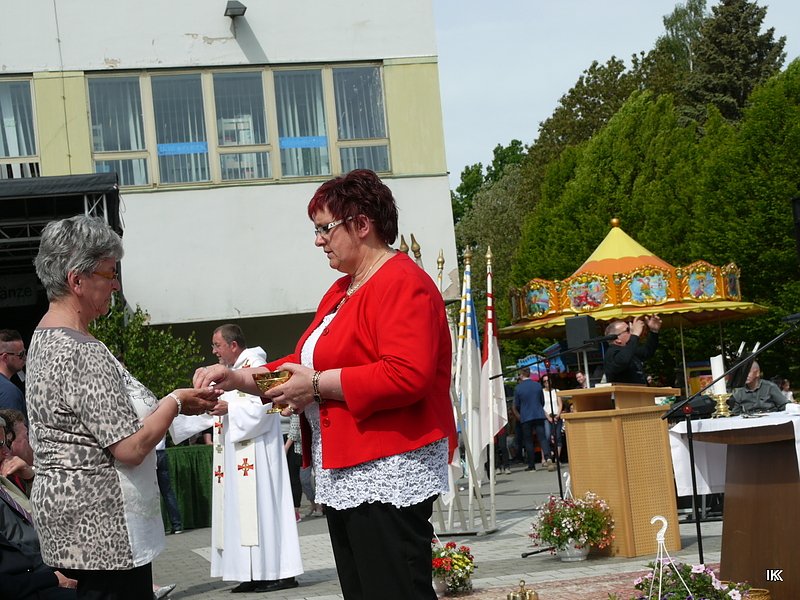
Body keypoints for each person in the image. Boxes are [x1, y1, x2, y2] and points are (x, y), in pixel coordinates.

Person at [194, 169, 457, 600]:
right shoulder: (342, 290)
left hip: (388, 464)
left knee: (394, 590)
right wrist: (237, 377)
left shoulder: (403, 282)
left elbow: (406, 374)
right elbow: (300, 365)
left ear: (361, 223)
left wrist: (316, 386)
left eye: (324, 229)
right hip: (349, 468)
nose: (318, 241)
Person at [25, 215, 219, 599]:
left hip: (77, 523)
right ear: (76, 280)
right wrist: (176, 400)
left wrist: (184, 410)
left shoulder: (47, 337)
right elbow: (129, 447)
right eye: (109, 273)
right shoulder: (79, 350)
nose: (115, 284)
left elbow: (107, 419)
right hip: (102, 529)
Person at [174, 324, 303, 593]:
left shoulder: (255, 364)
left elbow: (268, 405)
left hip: (260, 454)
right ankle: (252, 572)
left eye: (217, 345)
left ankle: (280, 571)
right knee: (242, 515)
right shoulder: (231, 372)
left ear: (233, 346)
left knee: (264, 511)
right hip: (239, 455)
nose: (214, 351)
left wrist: (230, 407)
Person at [0, 415, 79, 599]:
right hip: (35, 573)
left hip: (49, 563)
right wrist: (51, 578)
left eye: (6, 442)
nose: (6, 451)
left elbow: (53, 509)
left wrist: (31, 477)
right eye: (0, 444)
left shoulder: (8, 478)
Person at [603, 315, 662, 385]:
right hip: (625, 395)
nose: (631, 331)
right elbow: (623, 360)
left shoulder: (629, 350)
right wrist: (635, 334)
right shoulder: (611, 353)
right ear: (617, 339)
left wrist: (654, 331)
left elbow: (647, 351)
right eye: (628, 330)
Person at [513, 367, 550, 472]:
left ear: (521, 375)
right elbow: (541, 401)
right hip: (538, 414)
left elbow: (517, 404)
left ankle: (532, 465)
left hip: (526, 416)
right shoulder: (538, 385)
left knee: (529, 441)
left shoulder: (518, 388)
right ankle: (548, 457)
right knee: (542, 438)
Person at [0, 409, 35, 495]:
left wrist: (30, 479)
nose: (32, 443)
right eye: (27, 435)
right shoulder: (8, 479)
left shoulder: (23, 472)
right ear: (10, 438)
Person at [155, 436, 183, 535]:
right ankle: (177, 525)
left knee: (151, 492)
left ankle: (155, 527)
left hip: (150, 453)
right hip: (161, 451)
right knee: (167, 492)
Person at [0, 329, 26, 417]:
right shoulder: (10, 392)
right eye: (21, 354)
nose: (25, 358)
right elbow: (15, 429)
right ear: (5, 357)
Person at [541, 374, 562, 472]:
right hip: (546, 416)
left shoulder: (556, 391)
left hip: (556, 415)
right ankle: (545, 458)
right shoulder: (541, 392)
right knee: (547, 436)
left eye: (548, 381)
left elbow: (560, 404)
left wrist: (558, 414)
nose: (546, 383)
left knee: (558, 436)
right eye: (544, 381)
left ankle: (557, 458)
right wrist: (548, 417)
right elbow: (541, 406)